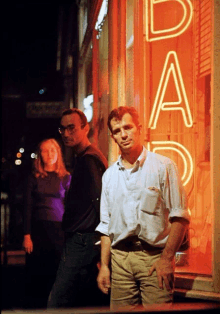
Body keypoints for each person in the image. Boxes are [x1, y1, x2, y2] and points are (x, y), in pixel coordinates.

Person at [96, 106, 190, 310]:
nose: (124, 134)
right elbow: (105, 226)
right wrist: (104, 266)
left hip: (154, 257)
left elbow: (180, 217)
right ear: (113, 137)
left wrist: (166, 259)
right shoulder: (110, 176)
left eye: (128, 127)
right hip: (120, 259)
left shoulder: (163, 166)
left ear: (139, 128)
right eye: (117, 131)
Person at [47, 108, 108, 308]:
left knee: (57, 302)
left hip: (83, 240)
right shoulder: (84, 158)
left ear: (85, 128)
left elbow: (101, 203)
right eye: (62, 129)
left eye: (71, 128)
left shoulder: (89, 159)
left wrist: (102, 244)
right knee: (83, 300)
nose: (66, 134)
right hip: (84, 239)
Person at [23, 138, 71, 308]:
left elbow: (70, 208)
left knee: (56, 274)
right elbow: (27, 207)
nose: (49, 154)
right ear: (40, 155)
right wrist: (27, 235)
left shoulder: (66, 177)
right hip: (38, 231)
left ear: (58, 153)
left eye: (53, 150)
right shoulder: (34, 177)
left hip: (58, 232)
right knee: (38, 274)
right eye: (45, 151)